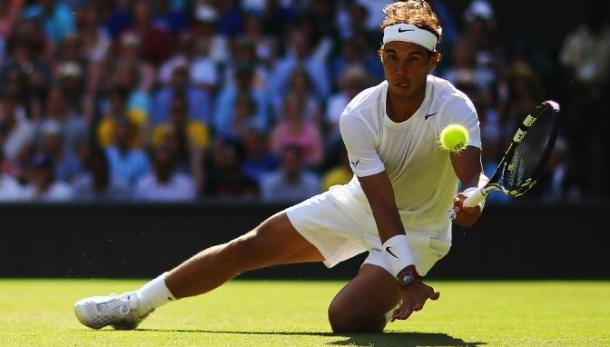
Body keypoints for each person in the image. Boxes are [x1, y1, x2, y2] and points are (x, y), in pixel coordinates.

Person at [74, 0, 485, 333]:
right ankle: (134, 305)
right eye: (392, 56)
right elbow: (381, 205)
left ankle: (380, 292)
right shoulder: (358, 114)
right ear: (381, 55)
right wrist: (408, 279)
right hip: (361, 206)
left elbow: (469, 175)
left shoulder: (454, 107)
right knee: (247, 247)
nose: (401, 69)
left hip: (422, 231)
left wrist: (471, 199)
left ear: (434, 62)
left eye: (414, 59)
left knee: (345, 318)